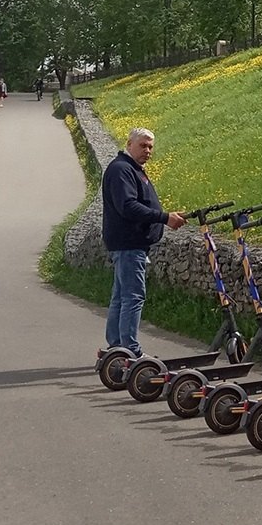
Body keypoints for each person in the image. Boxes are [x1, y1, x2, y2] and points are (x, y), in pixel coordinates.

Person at [101, 128, 185, 357]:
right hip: (129, 243)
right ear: (129, 144)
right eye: (143, 145)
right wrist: (164, 217)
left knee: (121, 296)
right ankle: (129, 349)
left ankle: (117, 345)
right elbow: (127, 206)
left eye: (150, 147)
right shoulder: (121, 169)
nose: (148, 151)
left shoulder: (132, 170)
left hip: (131, 243)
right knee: (133, 296)